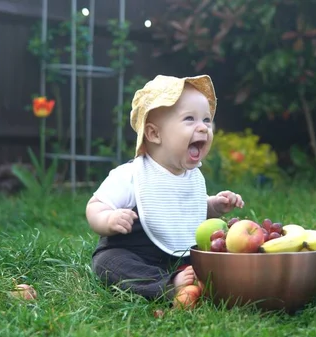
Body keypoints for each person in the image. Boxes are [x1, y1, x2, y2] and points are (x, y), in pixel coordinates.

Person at [85, 74, 244, 308]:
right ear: (154, 134)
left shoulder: (192, 176)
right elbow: (94, 206)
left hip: (181, 255)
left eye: (207, 120)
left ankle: (209, 280)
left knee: (216, 252)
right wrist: (108, 219)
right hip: (134, 253)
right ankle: (166, 285)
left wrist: (213, 206)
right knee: (107, 263)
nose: (203, 128)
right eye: (190, 119)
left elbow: (189, 208)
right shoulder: (132, 175)